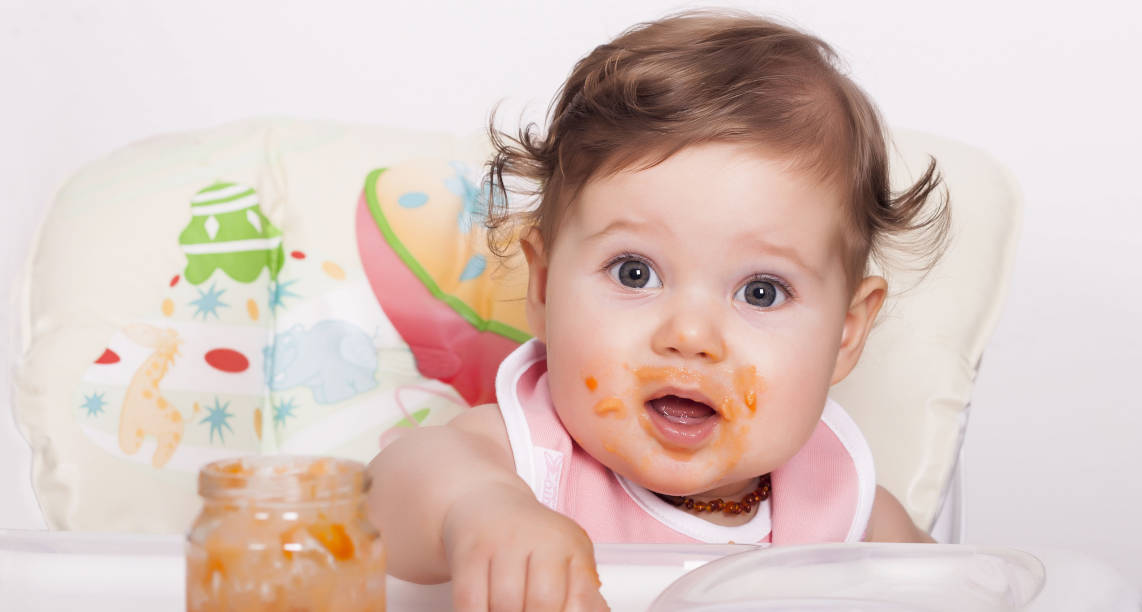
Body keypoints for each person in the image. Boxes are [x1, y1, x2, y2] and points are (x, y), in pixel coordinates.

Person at [368, 9, 948, 611]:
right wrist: (482, 510)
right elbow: (380, 499)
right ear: (542, 286)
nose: (691, 335)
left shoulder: (846, 509)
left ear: (847, 332)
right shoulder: (520, 463)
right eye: (635, 273)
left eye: (761, 291)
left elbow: (966, 590)